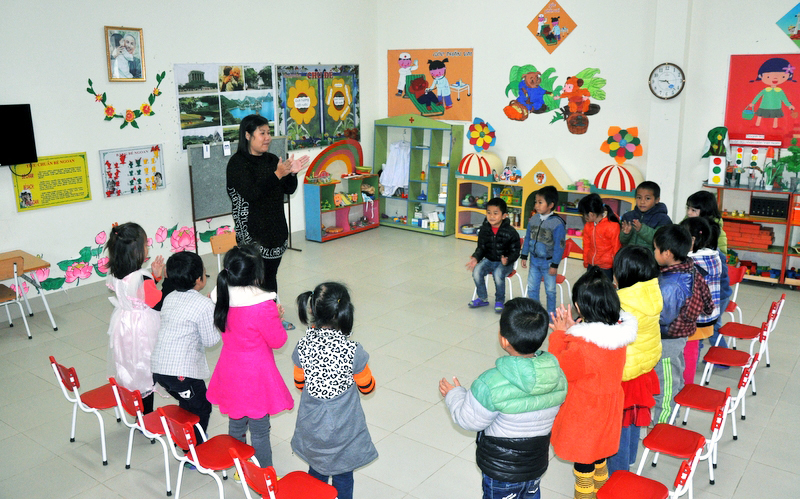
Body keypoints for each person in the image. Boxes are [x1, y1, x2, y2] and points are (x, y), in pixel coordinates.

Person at [439, 298, 567, 499]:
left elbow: (468, 420)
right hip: (535, 465)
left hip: (502, 472)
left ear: (504, 340)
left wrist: (454, 395)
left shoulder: (490, 383)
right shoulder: (558, 376)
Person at [548, 268, 637, 499]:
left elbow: (559, 369)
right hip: (608, 410)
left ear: (579, 307)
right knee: (600, 458)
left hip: (585, 415)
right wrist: (573, 331)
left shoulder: (582, 347)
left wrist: (559, 335)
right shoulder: (618, 335)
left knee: (583, 467)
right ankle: (601, 493)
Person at [206, 244, 294, 469]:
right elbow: (278, 341)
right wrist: (276, 317)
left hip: (229, 368)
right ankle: (264, 476)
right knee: (260, 431)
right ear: (257, 273)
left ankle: (239, 468)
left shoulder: (220, 295)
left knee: (236, 425)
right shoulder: (263, 305)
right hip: (256, 374)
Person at [292, 282, 378, 499]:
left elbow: (299, 384)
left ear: (311, 310)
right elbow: (367, 388)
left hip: (313, 427)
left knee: (316, 474)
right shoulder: (353, 351)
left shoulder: (302, 346)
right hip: (344, 431)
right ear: (345, 312)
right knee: (343, 477)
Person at [226, 114, 309, 327]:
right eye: (262, 133)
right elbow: (252, 194)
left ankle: (271, 319)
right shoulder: (237, 164)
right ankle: (251, 321)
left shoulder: (272, 160)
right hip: (252, 233)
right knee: (253, 279)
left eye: (268, 133)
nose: (267, 137)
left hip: (275, 230)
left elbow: (288, 189)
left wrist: (292, 174)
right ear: (247, 135)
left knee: (270, 277)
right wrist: (277, 175)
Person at [606, 246, 663, 475]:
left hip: (624, 372)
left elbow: (608, 337)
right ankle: (629, 460)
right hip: (643, 369)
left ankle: (617, 475)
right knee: (633, 418)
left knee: (618, 426)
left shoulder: (622, 303)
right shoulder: (652, 293)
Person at [151, 251, 219, 441]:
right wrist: (216, 316)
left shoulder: (170, 297)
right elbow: (211, 341)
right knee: (202, 407)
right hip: (181, 375)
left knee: (187, 403)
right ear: (199, 279)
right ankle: (194, 446)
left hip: (159, 370)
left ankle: (184, 436)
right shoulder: (204, 305)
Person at [652, 224, 713, 424]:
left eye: (655, 248)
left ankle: (662, 426)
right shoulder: (688, 267)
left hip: (667, 340)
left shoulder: (671, 285)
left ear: (667, 253)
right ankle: (671, 417)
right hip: (679, 335)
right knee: (674, 377)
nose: (653, 252)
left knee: (666, 386)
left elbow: (663, 318)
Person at [105, 222, 165, 414]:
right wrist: (165, 282)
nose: (148, 247)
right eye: (145, 245)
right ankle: (146, 417)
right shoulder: (142, 277)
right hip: (143, 328)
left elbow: (136, 294)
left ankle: (137, 412)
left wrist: (154, 278)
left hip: (124, 325)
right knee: (145, 368)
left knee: (130, 366)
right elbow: (157, 303)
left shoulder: (115, 273)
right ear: (136, 251)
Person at [685, 190, 731, 349]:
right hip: (713, 293)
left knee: (709, 327)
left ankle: (721, 355)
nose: (689, 213)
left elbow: (717, 269)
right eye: (688, 208)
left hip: (718, 294)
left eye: (693, 210)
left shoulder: (711, 246)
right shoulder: (694, 225)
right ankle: (711, 353)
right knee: (707, 327)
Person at [680, 217, 722, 385]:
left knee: (688, 352)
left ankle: (686, 385)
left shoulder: (693, 262)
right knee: (693, 349)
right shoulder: (713, 256)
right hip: (709, 315)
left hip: (695, 317)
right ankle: (686, 382)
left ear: (692, 240)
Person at [466, 197, 521, 313]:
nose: (491, 216)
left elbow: (515, 251)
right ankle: (482, 298)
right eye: (489, 213)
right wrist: (476, 258)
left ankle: (499, 301)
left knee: (498, 273)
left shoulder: (511, 232)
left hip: (505, 263)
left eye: (495, 213)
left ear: (504, 216)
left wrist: (508, 259)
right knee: (476, 271)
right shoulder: (484, 230)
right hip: (489, 260)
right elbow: (481, 248)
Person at [521, 186, 566, 317]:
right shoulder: (534, 219)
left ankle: (551, 314)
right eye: (536, 202)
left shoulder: (557, 223)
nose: (536, 205)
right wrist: (524, 255)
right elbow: (527, 238)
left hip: (549, 263)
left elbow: (559, 246)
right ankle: (536, 313)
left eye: (540, 202)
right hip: (534, 261)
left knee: (550, 290)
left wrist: (555, 265)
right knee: (532, 288)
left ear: (551, 205)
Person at [577, 193, 621, 281]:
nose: (583, 217)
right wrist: (586, 261)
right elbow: (586, 245)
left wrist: (616, 269)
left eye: (584, 214)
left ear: (591, 214)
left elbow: (616, 249)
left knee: (604, 288)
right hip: (591, 265)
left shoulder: (612, 226)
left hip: (606, 267)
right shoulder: (588, 226)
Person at [619, 181, 672, 249]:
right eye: (639, 197)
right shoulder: (628, 216)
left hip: (649, 255)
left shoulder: (663, 219)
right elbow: (622, 241)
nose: (642, 202)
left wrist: (642, 229)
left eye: (647, 198)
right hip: (630, 254)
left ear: (657, 200)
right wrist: (626, 234)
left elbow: (660, 241)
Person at [747, 57, 796, 129]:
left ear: (789, 76)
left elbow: (784, 99)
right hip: (764, 106)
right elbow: (758, 96)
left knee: (775, 116)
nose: (775, 78)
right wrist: (753, 103)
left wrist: (789, 105)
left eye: (782, 76)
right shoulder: (765, 90)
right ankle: (757, 125)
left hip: (776, 107)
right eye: (768, 76)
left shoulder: (780, 91)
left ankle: (775, 126)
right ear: (760, 76)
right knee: (760, 115)